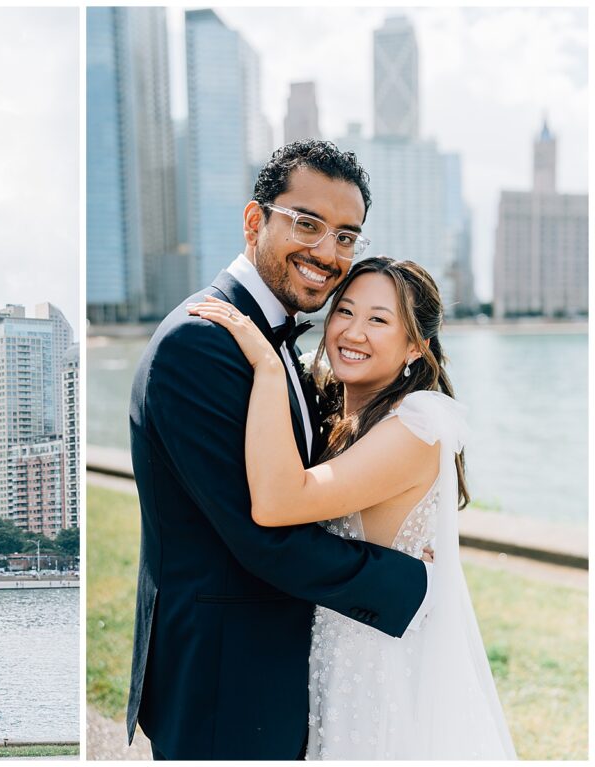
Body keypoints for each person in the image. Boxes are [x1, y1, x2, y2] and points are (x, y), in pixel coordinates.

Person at [127, 140, 434, 760]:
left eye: (346, 236)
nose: (328, 252)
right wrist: (409, 580)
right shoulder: (203, 343)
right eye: (307, 223)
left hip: (263, 667)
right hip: (225, 678)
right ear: (254, 221)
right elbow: (260, 531)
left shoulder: (271, 340)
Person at [189, 256, 516, 759]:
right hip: (336, 656)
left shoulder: (415, 425)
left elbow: (280, 501)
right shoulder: (349, 414)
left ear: (416, 347)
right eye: (345, 311)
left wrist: (267, 368)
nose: (353, 331)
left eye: (379, 319)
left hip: (380, 667)